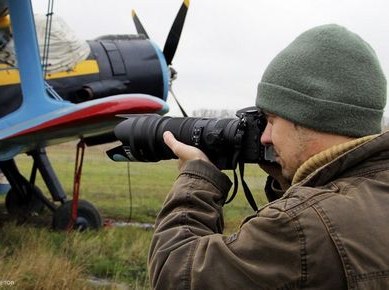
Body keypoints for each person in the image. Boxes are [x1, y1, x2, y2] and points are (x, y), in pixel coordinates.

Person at [148, 24, 389, 289]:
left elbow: (177, 275)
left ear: (309, 118)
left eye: (272, 120)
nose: (265, 137)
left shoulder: (301, 226)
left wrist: (195, 177)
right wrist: (291, 179)